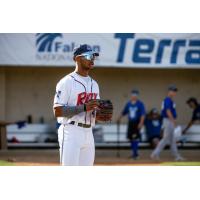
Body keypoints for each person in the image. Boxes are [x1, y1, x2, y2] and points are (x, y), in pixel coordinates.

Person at [53, 44, 100, 166]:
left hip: (89, 133)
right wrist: (83, 107)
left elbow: (94, 110)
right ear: (77, 59)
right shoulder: (67, 82)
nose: (92, 59)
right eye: (88, 56)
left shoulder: (94, 84)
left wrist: (100, 113)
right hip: (71, 131)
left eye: (93, 56)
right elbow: (57, 111)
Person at [151, 85, 184, 161]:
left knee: (172, 140)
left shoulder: (169, 100)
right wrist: (173, 121)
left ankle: (176, 156)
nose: (174, 92)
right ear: (169, 91)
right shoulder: (168, 100)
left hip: (168, 120)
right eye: (173, 91)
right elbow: (168, 111)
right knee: (165, 139)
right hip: (168, 120)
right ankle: (155, 154)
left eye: (175, 91)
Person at [117, 89, 146, 159]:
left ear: (137, 96)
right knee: (131, 138)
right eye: (133, 95)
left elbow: (143, 114)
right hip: (130, 123)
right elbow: (124, 112)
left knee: (135, 138)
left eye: (135, 95)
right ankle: (134, 153)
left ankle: (135, 154)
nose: (134, 96)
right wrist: (119, 118)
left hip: (137, 123)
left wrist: (141, 123)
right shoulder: (129, 103)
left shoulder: (140, 104)